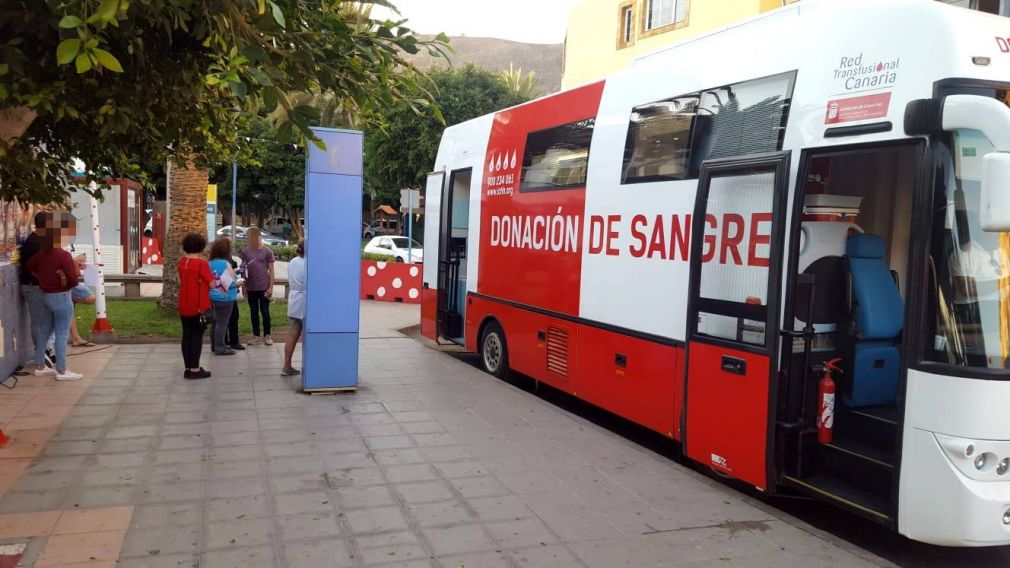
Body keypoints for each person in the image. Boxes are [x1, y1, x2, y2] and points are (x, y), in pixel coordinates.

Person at [25, 212, 83, 380]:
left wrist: (41, 278)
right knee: (62, 333)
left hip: (45, 294)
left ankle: (40, 365)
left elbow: (30, 265)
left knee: (45, 330)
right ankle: (62, 370)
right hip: (61, 296)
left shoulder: (42, 253)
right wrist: (67, 282)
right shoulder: (63, 255)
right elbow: (73, 279)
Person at [178, 233, 214, 379]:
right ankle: (194, 369)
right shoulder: (202, 264)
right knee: (196, 337)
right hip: (198, 305)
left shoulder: (182, 262)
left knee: (186, 335)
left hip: (184, 303)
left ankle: (188, 366)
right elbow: (212, 283)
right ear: (201, 246)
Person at [17, 212, 50, 367]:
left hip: (37, 286)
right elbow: (34, 268)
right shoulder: (35, 244)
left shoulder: (39, 241)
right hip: (33, 287)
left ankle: (43, 351)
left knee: (43, 321)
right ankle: (40, 356)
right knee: (38, 322)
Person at [240, 227, 275, 345]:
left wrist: (271, 287)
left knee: (265, 311)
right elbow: (242, 270)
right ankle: (256, 336)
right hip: (251, 287)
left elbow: (271, 271)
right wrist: (244, 286)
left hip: (264, 287)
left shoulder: (267, 252)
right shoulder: (245, 252)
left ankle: (267, 335)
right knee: (253, 312)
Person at [208, 238, 238, 356]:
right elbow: (231, 283)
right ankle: (220, 348)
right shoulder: (226, 264)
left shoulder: (209, 263)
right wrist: (240, 282)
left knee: (215, 322)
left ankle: (214, 345)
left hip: (213, 296)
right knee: (222, 323)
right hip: (226, 298)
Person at [282, 239, 306, 376]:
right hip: (304, 300)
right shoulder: (308, 264)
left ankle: (286, 365)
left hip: (294, 298)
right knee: (306, 334)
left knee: (293, 333)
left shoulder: (292, 262)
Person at [69, 253, 97, 347]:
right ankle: (75, 338)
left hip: (68, 283)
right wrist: (75, 261)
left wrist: (77, 262)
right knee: (91, 298)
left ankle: (75, 338)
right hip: (68, 284)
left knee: (70, 311)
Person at [224, 255, 245, 351]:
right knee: (233, 317)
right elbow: (230, 281)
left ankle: (223, 341)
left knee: (220, 321)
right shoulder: (226, 262)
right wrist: (237, 283)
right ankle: (234, 341)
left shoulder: (212, 261)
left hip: (217, 297)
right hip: (229, 297)